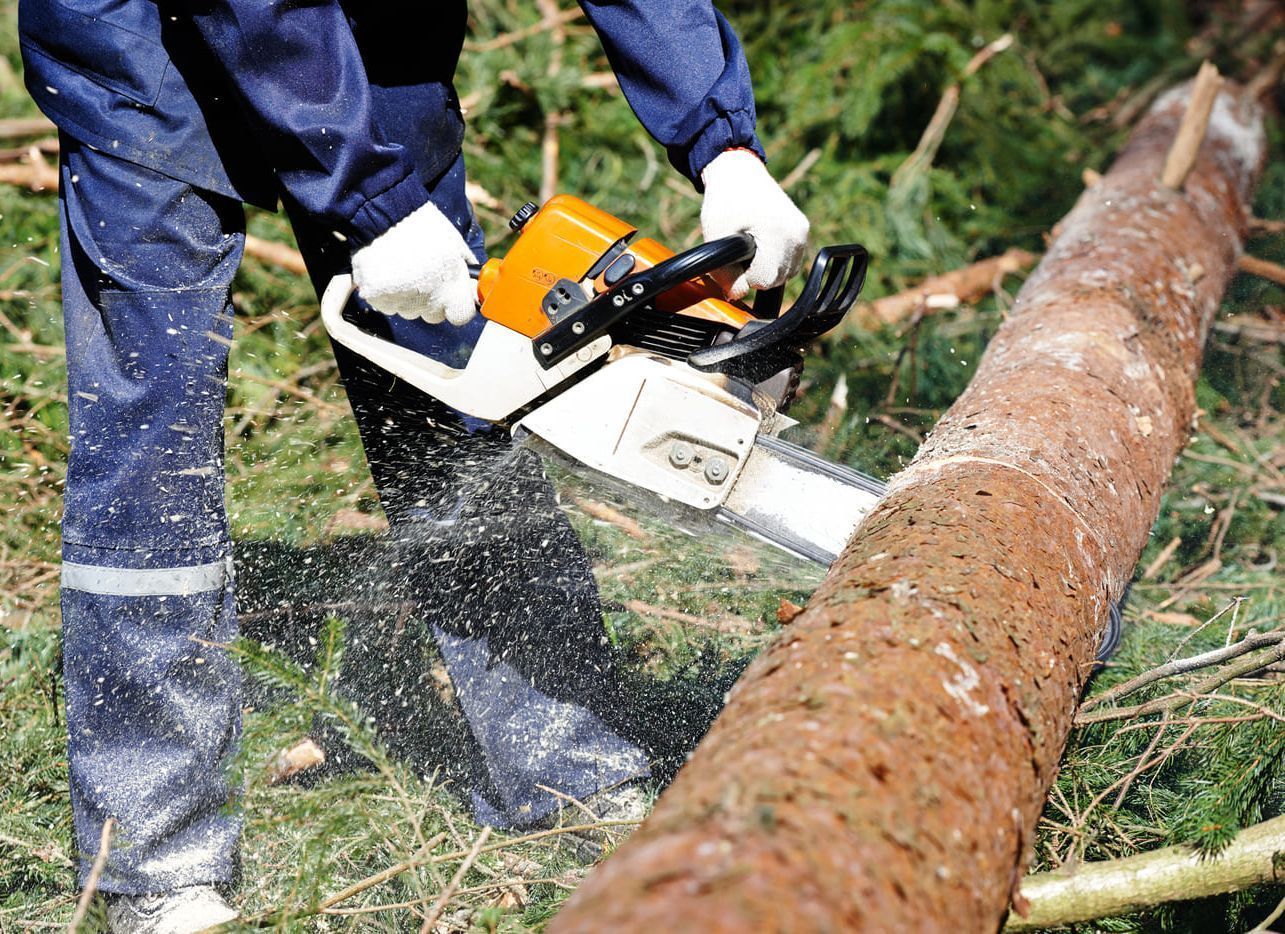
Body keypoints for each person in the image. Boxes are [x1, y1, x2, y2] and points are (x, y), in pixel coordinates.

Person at [18, 0, 810, 929]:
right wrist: (369, 197)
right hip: (141, 47)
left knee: (459, 394)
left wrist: (723, 145)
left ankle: (569, 779)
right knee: (152, 426)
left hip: (377, 34)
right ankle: (155, 865)